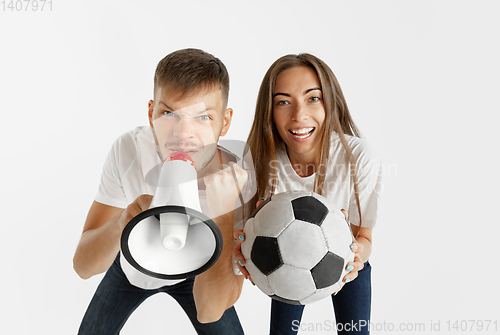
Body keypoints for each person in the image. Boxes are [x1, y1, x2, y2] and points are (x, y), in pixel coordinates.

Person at [73, 48, 249, 334]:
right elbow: (83, 266)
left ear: (225, 122)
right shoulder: (129, 150)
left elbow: (210, 311)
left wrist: (223, 213)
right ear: (150, 112)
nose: (183, 134)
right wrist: (122, 223)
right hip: (133, 267)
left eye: (203, 117)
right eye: (169, 113)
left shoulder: (238, 175)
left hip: (199, 271)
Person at [233, 53, 382, 334]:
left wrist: (357, 256)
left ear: (330, 101)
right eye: (283, 101)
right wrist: (240, 243)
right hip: (286, 262)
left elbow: (364, 237)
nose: (299, 115)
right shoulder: (258, 158)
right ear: (269, 110)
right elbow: (245, 232)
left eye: (313, 98)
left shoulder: (360, 158)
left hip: (343, 262)